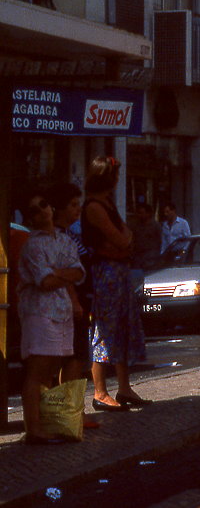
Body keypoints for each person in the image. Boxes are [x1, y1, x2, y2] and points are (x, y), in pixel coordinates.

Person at [17, 191, 85, 444]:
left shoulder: (65, 241)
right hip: (39, 312)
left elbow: (79, 272)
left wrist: (60, 273)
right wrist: (62, 273)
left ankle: (47, 423)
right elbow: (44, 281)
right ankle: (33, 428)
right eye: (34, 209)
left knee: (51, 370)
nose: (41, 211)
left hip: (62, 310)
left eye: (43, 204)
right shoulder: (32, 245)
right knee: (37, 370)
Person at [82, 156, 149, 410]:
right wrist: (122, 244)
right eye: (115, 175)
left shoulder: (105, 203)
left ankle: (124, 388)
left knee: (122, 328)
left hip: (118, 272)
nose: (117, 179)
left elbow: (125, 238)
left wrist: (122, 243)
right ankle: (100, 392)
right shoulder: (95, 207)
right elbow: (122, 239)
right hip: (107, 275)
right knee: (105, 330)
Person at [46, 182, 99, 430]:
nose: (78, 209)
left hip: (75, 302)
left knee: (73, 357)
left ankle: (69, 411)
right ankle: (70, 413)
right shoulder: (59, 237)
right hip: (69, 304)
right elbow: (66, 273)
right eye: (73, 205)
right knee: (73, 359)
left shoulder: (68, 234)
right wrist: (75, 301)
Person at [128, 202, 161, 270]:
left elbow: (160, 241)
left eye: (141, 213)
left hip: (151, 256)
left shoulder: (155, 226)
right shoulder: (135, 225)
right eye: (138, 213)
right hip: (137, 256)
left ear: (148, 214)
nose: (139, 215)